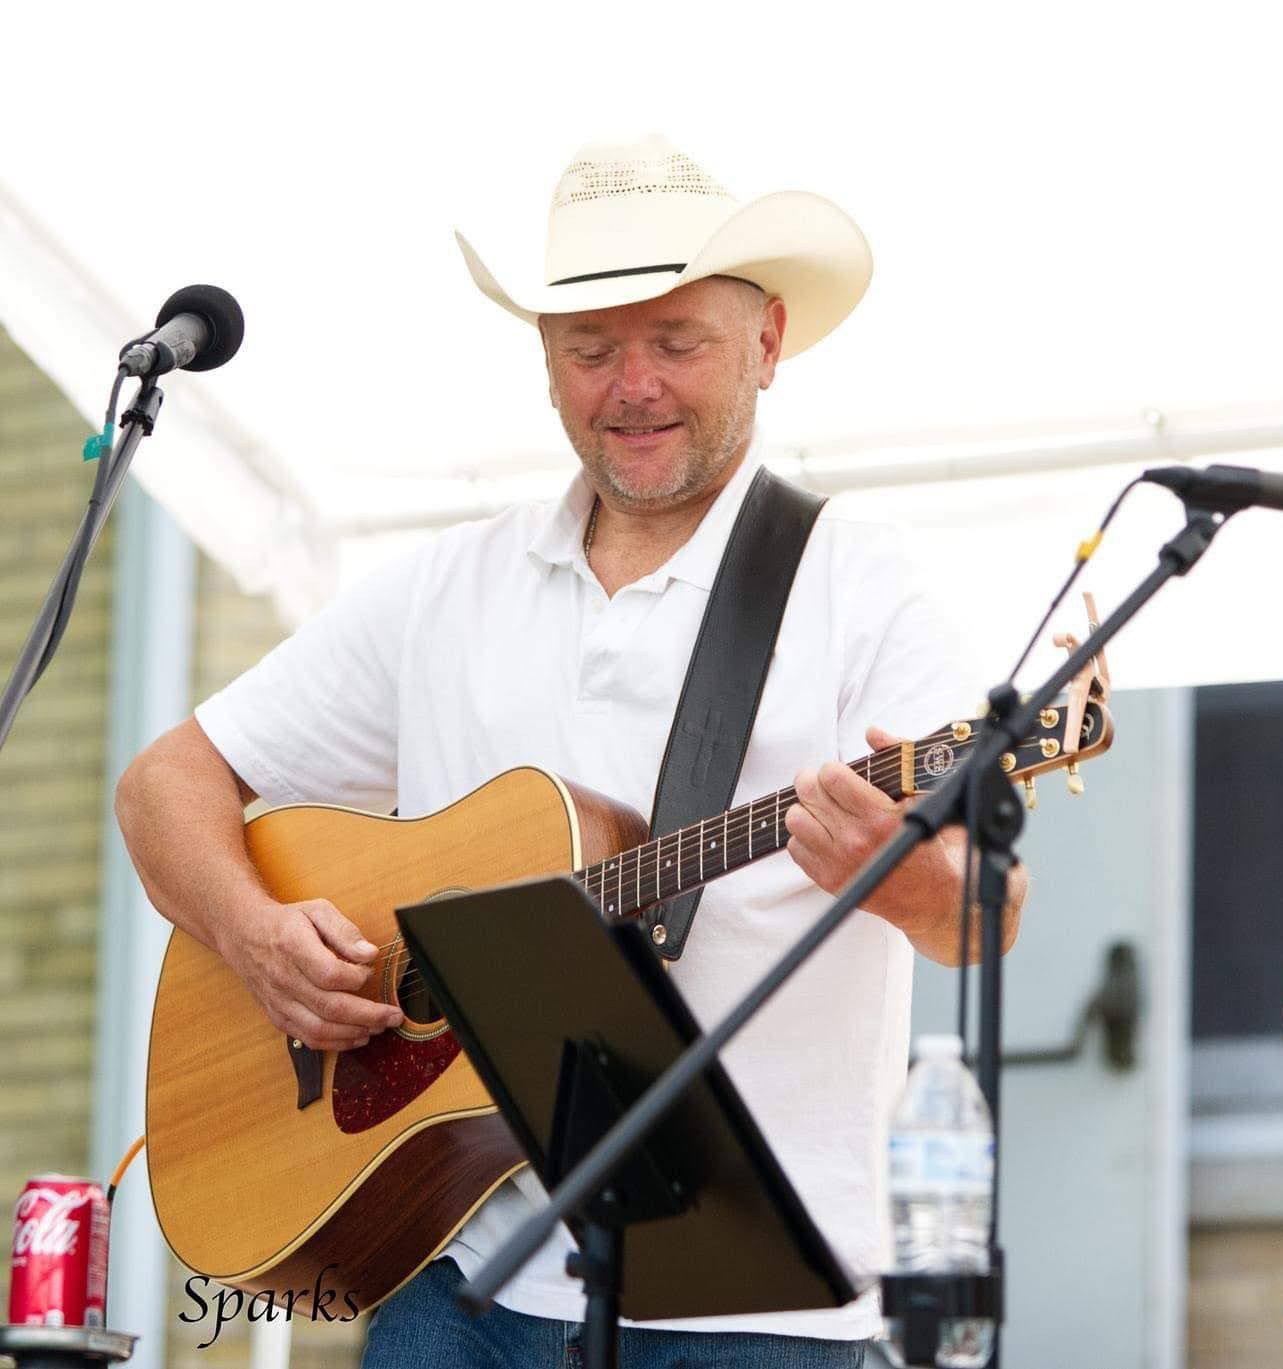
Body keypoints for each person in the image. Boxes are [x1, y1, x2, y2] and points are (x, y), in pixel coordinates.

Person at [115, 137, 1023, 1369]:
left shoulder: (862, 589)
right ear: (544, 363)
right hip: (463, 1278)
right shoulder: (445, 589)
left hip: (756, 1316)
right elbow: (166, 778)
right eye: (590, 350)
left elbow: (984, 915)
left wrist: (898, 871)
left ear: (766, 341)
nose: (631, 386)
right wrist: (253, 934)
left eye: (677, 344)